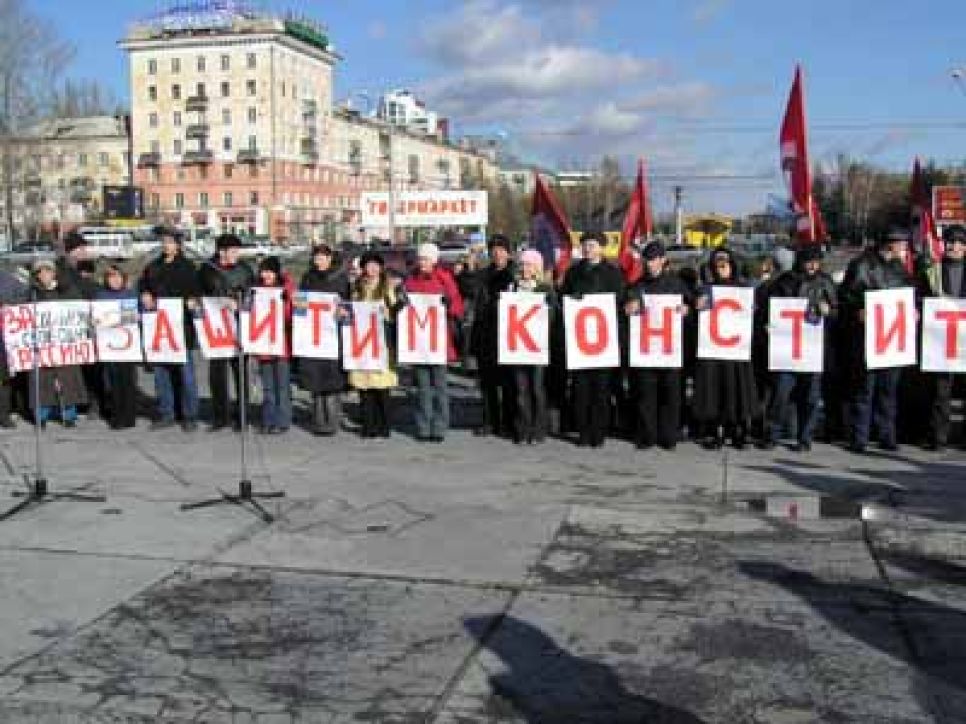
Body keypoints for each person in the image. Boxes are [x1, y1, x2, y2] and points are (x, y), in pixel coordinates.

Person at [839, 229, 915, 453]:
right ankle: (859, 437)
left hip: (892, 339)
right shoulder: (861, 265)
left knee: (888, 389)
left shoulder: (899, 267)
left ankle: (886, 435)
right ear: (891, 244)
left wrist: (913, 310)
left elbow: (909, 293)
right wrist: (857, 311)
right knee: (865, 389)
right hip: (868, 338)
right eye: (902, 245)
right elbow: (845, 297)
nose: (905, 250)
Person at [761, 245, 838, 451]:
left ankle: (805, 438)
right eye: (809, 261)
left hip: (812, 350)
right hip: (786, 350)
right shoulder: (784, 282)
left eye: (816, 262)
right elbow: (770, 308)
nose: (813, 266)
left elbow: (837, 312)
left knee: (811, 397)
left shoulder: (825, 282)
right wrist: (769, 324)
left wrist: (829, 311)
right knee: (780, 394)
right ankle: (772, 435)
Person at [623, 241, 691, 450]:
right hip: (646, 351)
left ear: (663, 260)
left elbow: (693, 306)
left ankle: (669, 435)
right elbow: (626, 305)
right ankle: (647, 435)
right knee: (646, 394)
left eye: (653, 259)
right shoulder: (638, 285)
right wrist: (629, 306)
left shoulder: (677, 284)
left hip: (669, 350)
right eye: (647, 260)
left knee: (671, 394)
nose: (650, 263)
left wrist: (687, 310)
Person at [560, 231, 625, 448]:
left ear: (601, 248)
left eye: (592, 245)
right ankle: (583, 431)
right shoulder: (573, 272)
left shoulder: (613, 273)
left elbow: (620, 302)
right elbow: (564, 297)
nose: (588, 249)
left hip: (603, 341)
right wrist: (572, 299)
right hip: (580, 341)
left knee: (601, 389)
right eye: (585, 245)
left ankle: (599, 432)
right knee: (581, 389)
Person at [692, 247, 759, 449]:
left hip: (736, 350)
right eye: (718, 265)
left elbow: (755, 315)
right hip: (713, 350)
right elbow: (696, 317)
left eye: (725, 264)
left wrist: (753, 309)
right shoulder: (705, 289)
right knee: (715, 391)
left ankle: (739, 430)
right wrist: (697, 305)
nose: (722, 268)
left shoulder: (744, 289)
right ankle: (716, 430)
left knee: (737, 390)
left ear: (732, 265)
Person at [139, 226, 202, 431]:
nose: (166, 245)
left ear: (178, 245)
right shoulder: (153, 266)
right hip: (159, 327)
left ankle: (190, 414)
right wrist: (145, 293)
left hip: (181, 327)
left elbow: (196, 291)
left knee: (186, 375)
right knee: (161, 374)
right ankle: (167, 412)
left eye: (170, 242)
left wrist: (192, 300)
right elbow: (143, 285)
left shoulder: (187, 267)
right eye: (164, 242)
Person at [404, 243, 464, 442]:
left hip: (439, 342)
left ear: (434, 261)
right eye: (421, 259)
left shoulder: (444, 278)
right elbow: (403, 304)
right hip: (419, 342)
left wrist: (449, 305)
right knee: (422, 388)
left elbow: (458, 306)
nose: (423, 263)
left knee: (440, 387)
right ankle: (423, 426)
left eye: (426, 259)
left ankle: (439, 426)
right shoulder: (411, 279)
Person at [198, 233, 255, 431]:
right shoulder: (207, 269)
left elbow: (253, 295)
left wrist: (241, 302)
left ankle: (243, 416)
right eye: (233, 251)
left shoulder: (244, 269)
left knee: (240, 373)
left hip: (239, 327)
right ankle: (220, 416)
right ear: (221, 251)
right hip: (216, 328)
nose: (236, 254)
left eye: (238, 251)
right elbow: (199, 293)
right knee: (217, 374)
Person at [917, 224, 966, 451]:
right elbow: (920, 296)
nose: (955, 247)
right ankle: (939, 437)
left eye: (960, 243)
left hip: (964, 339)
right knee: (940, 391)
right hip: (940, 339)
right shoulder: (933, 271)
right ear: (944, 244)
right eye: (951, 242)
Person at [350, 251, 407, 438]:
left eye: (376, 265)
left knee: (382, 388)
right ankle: (368, 425)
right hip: (362, 343)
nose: (372, 269)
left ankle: (384, 425)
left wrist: (392, 308)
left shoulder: (387, 287)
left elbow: (395, 310)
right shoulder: (357, 287)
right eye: (369, 265)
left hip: (381, 343)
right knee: (364, 388)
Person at [26, 259, 88, 427]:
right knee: (41, 380)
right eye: (40, 272)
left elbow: (79, 309)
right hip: (42, 344)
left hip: (64, 343)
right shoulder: (32, 293)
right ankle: (41, 416)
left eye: (47, 271)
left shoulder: (66, 290)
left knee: (67, 378)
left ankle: (69, 415)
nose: (44, 275)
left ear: (54, 273)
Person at [297, 244, 350, 435]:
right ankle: (319, 421)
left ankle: (332, 420)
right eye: (316, 257)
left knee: (332, 380)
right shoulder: (307, 278)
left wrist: (343, 310)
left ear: (329, 259)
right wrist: (298, 304)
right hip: (313, 336)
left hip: (333, 335)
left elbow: (348, 303)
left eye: (322, 257)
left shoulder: (340, 278)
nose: (318, 261)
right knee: (315, 380)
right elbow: (300, 305)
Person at [508, 248, 556, 444]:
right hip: (518, 346)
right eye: (522, 264)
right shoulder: (513, 287)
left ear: (537, 268)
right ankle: (522, 429)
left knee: (537, 388)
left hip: (537, 347)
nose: (525, 268)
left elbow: (552, 316)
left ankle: (538, 430)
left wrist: (547, 307)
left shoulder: (545, 289)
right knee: (521, 390)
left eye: (529, 265)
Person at [471, 234, 516, 437]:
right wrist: (467, 269)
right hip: (485, 332)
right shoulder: (483, 275)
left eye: (501, 250)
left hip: (508, 333)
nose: (497, 253)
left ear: (508, 253)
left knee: (508, 382)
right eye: (494, 250)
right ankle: (489, 421)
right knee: (487, 382)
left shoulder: (514, 274)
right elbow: (468, 289)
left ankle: (508, 422)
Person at [254, 256, 294, 434]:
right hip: (264, 345)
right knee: (268, 386)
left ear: (276, 273)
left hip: (281, 345)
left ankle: (282, 420)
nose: (266, 275)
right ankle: (268, 419)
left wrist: (287, 298)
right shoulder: (256, 291)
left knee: (282, 386)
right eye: (263, 271)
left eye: (270, 271)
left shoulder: (286, 290)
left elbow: (291, 316)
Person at [97, 264, 139, 430]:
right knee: (113, 381)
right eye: (111, 277)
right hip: (110, 346)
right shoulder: (101, 296)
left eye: (118, 276)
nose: (115, 280)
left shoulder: (130, 295)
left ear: (123, 278)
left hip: (128, 345)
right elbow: (97, 317)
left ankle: (129, 416)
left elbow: (137, 315)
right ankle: (117, 416)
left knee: (128, 380)